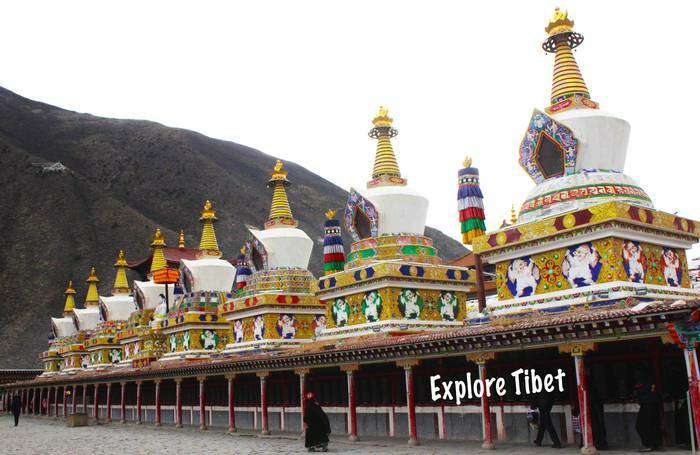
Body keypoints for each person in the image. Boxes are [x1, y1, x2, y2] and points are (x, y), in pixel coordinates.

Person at [634, 381, 662, 452]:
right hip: (651, 402)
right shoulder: (650, 378)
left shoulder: (643, 378)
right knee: (651, 424)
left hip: (647, 403)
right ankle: (654, 444)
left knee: (642, 425)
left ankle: (648, 444)